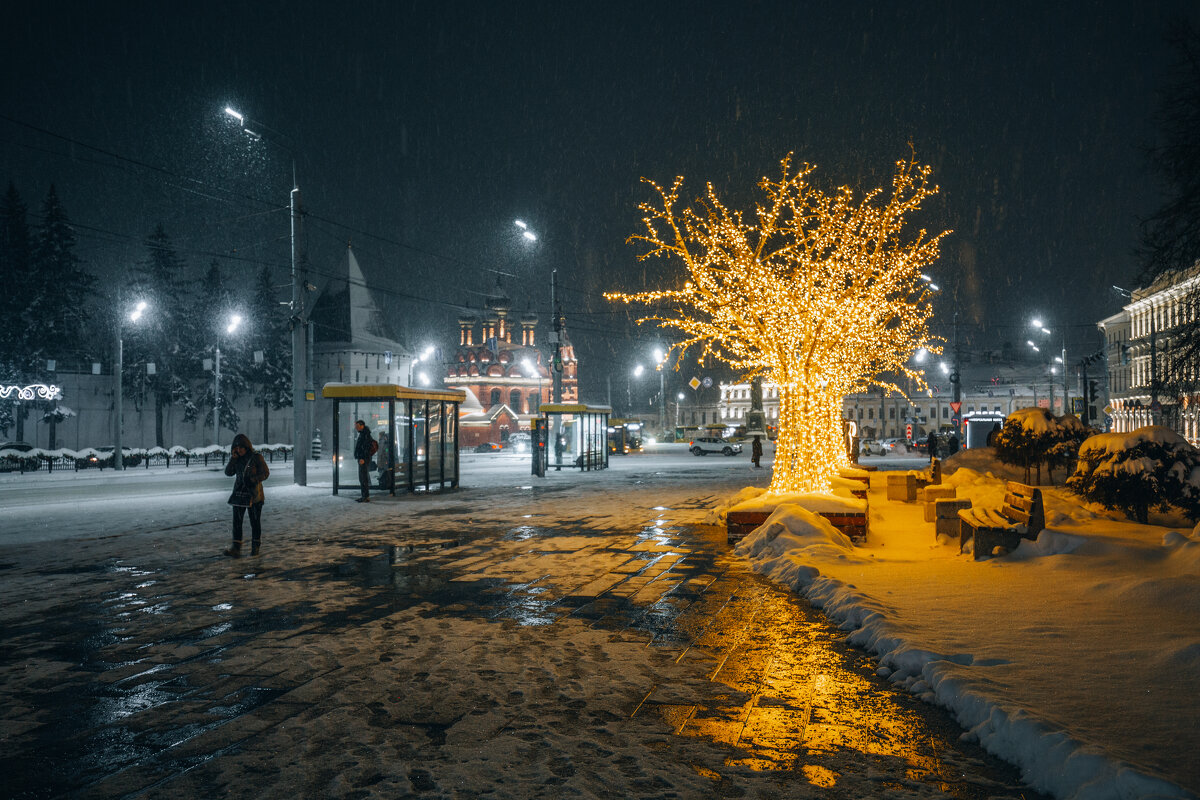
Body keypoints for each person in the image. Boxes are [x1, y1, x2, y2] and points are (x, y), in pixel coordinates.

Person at [224, 433, 269, 557]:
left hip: (254, 495)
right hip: (239, 494)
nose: (238, 450)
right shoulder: (236, 459)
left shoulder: (256, 458)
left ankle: (256, 546)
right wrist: (233, 459)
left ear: (246, 447)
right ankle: (236, 548)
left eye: (240, 447)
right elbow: (228, 473)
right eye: (236, 448)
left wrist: (253, 480)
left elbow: (265, 473)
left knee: (255, 522)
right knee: (237, 522)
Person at [354, 419, 374, 502]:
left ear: (362, 426)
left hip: (363, 459)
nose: (356, 428)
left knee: (363, 478)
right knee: (362, 477)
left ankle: (365, 496)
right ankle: (364, 496)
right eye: (356, 426)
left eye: (357, 426)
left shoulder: (365, 435)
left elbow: (365, 448)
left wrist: (362, 458)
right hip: (362, 458)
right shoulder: (363, 434)